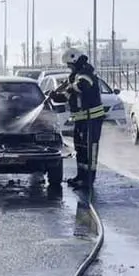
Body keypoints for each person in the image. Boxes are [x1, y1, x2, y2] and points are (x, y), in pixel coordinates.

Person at [54, 48, 105, 190]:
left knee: (90, 150)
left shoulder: (86, 72)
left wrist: (69, 87)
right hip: (81, 119)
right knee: (80, 149)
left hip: (92, 119)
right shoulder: (75, 75)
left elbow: (84, 86)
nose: (68, 68)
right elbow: (73, 96)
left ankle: (89, 179)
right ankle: (81, 176)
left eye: (69, 65)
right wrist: (58, 96)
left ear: (75, 60)